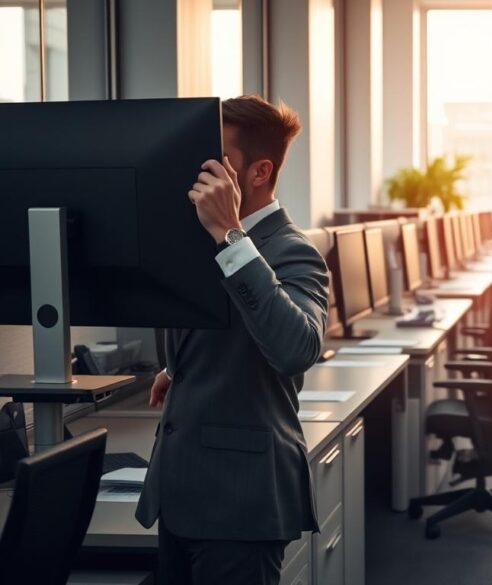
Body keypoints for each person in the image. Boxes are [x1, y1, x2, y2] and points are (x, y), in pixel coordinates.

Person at [135, 95, 330, 585]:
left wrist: (229, 233)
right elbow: (235, 328)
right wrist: (179, 367)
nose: (203, 172)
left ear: (258, 172)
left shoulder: (293, 251)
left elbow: (296, 349)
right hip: (179, 492)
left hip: (240, 503)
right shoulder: (199, 237)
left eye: (219, 160)